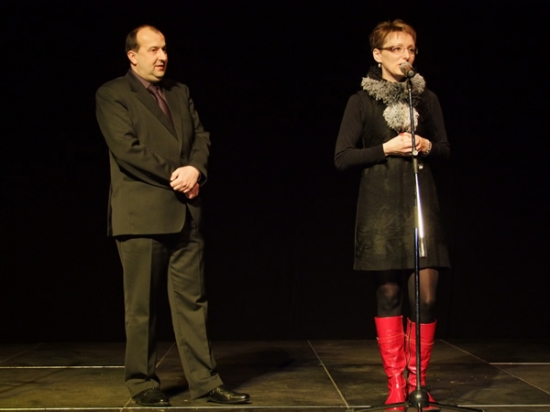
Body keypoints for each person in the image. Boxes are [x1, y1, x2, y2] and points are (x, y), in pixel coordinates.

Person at [95, 25, 250, 407]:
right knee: (142, 307)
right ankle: (141, 382)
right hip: (142, 216)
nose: (162, 56)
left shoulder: (179, 92)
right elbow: (127, 150)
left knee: (193, 304)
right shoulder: (113, 94)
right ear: (132, 56)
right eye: (152, 50)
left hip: (185, 213)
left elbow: (201, 137)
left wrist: (195, 170)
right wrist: (177, 175)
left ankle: (206, 382)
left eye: (164, 49)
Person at [334, 19, 450, 410]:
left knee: (426, 295)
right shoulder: (361, 101)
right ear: (377, 54)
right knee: (389, 293)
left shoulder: (426, 99)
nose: (405, 56)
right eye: (396, 49)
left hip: (420, 202)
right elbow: (342, 157)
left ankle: (419, 383)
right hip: (380, 205)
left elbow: (446, 149)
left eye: (411, 49)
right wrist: (387, 148)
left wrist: (425, 145)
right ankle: (397, 386)